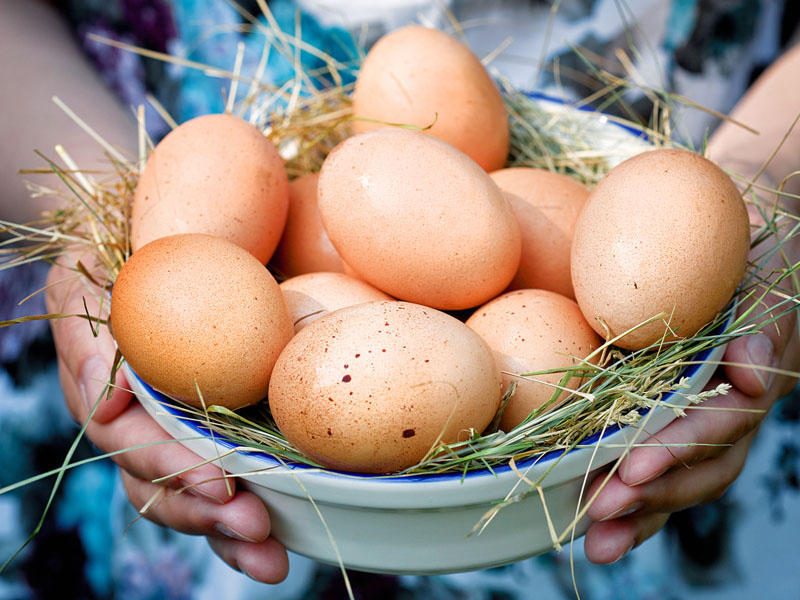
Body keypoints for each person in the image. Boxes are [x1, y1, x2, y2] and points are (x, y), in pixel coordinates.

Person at [1, 0, 798, 597]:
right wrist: (103, 202)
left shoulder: (536, 251)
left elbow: (638, 257)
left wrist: (766, 179)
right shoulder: (257, 266)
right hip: (117, 120)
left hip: (655, 453)